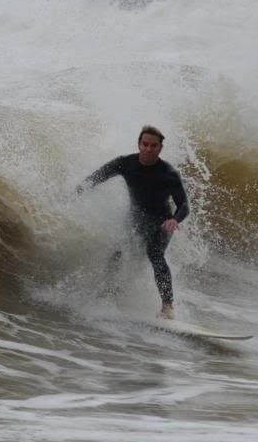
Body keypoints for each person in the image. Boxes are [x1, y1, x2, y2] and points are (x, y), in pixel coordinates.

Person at [77, 125, 189, 319]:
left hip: (162, 223)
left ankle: (167, 307)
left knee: (154, 254)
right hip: (136, 219)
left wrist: (174, 219)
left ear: (160, 148)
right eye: (144, 144)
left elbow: (184, 205)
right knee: (118, 254)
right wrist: (76, 192)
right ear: (139, 144)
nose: (148, 149)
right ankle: (107, 293)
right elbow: (96, 177)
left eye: (153, 145)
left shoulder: (168, 173)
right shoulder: (125, 163)